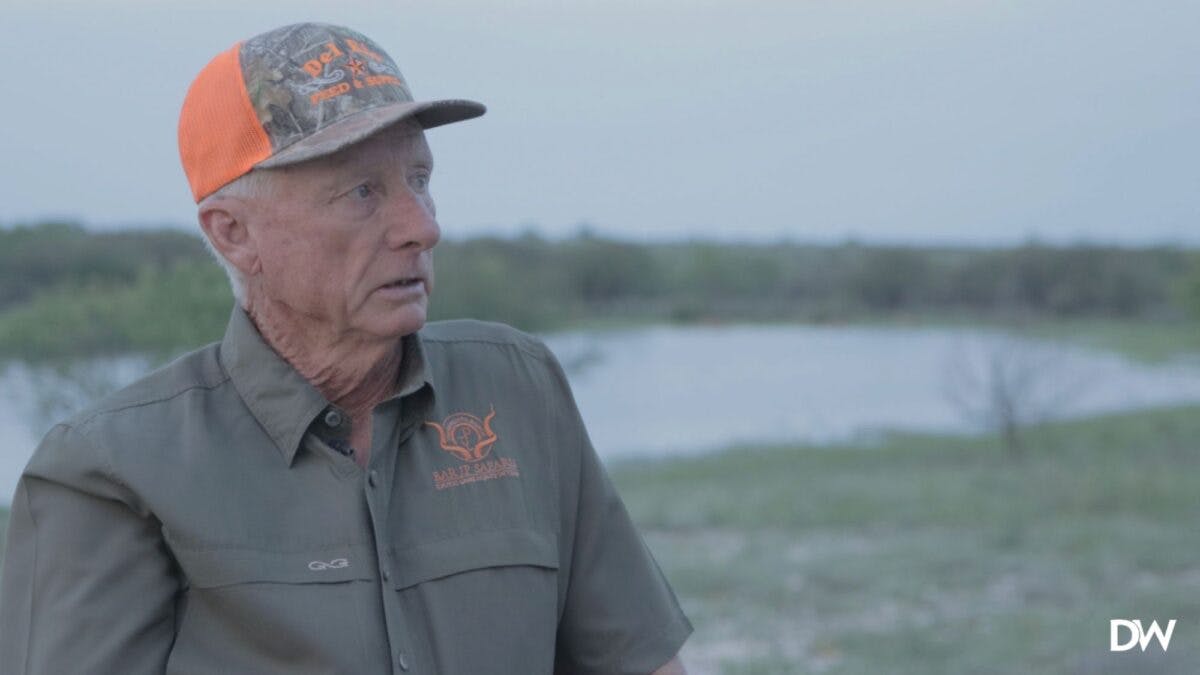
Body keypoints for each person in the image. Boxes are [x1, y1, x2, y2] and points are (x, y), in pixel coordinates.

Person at [0, 22, 691, 674]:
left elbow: (638, 660)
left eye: (419, 179)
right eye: (363, 192)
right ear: (233, 233)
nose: (422, 227)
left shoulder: (518, 387)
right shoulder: (110, 471)